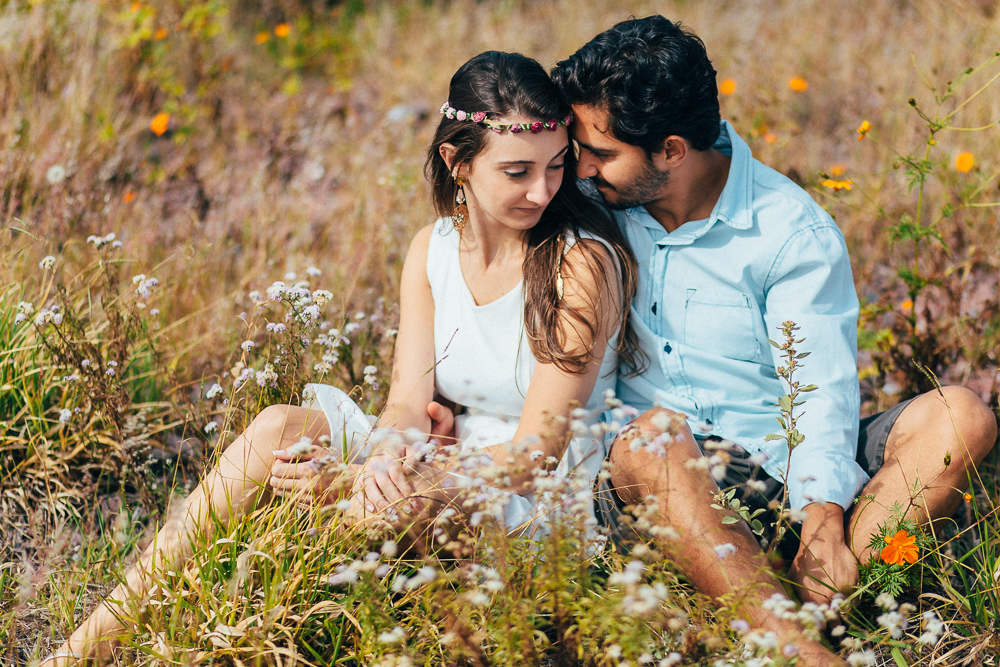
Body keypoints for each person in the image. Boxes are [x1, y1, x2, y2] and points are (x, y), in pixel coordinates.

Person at [40, 50, 640, 666]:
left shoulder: (578, 262)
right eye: (518, 172)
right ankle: (78, 650)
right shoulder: (431, 250)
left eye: (557, 167)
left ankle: (248, 630)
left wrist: (370, 481)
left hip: (538, 495)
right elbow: (408, 398)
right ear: (455, 160)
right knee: (278, 428)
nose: (543, 190)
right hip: (442, 459)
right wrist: (386, 457)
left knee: (382, 498)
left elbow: (535, 452)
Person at [547, 15, 997, 666]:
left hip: (777, 472)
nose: (580, 168)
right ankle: (800, 649)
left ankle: (815, 585)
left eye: (601, 152)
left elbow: (819, 390)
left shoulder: (788, 230)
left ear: (672, 150)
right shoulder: (589, 205)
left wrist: (821, 515)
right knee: (651, 438)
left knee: (962, 416)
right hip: (657, 481)